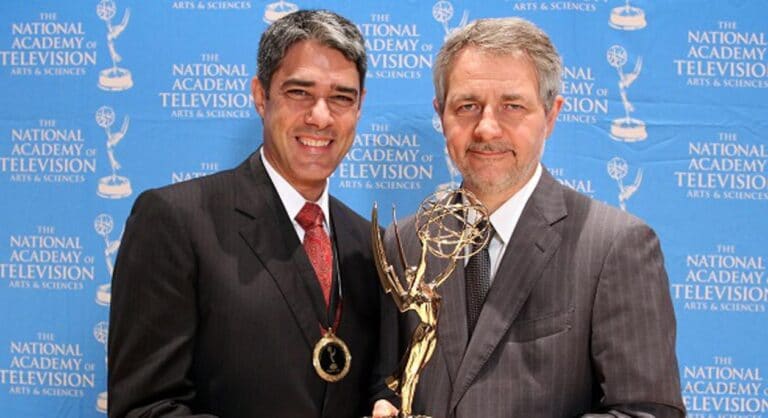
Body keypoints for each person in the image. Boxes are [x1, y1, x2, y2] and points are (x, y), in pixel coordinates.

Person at [372, 17, 685, 418]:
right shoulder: (404, 243)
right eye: (467, 106)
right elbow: (388, 382)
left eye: (512, 106)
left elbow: (647, 413)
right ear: (441, 113)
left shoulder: (613, 246)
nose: (486, 128)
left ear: (551, 115)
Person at [108, 10, 384, 418]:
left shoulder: (369, 244)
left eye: (341, 97)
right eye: (299, 92)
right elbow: (144, 408)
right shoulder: (175, 220)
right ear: (260, 95)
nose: (321, 117)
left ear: (359, 108)